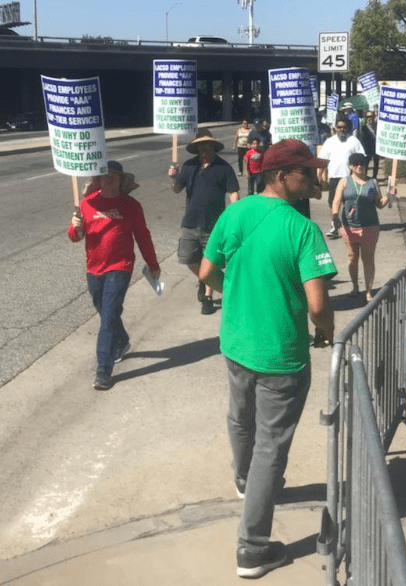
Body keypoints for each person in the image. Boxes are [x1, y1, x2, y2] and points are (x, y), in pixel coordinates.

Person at [199, 138, 336, 579]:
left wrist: (237, 294)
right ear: (282, 177)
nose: (315, 177)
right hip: (281, 353)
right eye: (306, 171)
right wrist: (327, 332)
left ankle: (244, 482)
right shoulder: (302, 228)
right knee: (271, 448)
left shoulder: (233, 214)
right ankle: (253, 547)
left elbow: (206, 273)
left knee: (241, 418)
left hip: (236, 342)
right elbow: (317, 306)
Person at [67, 160, 160, 391]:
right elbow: (75, 237)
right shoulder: (87, 204)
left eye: (113, 176)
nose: (108, 179)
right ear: (97, 180)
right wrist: (74, 226)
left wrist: (153, 264)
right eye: (103, 176)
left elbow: (143, 236)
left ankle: (103, 372)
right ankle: (122, 341)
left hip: (120, 266)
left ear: (121, 180)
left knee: (108, 317)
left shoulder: (131, 205)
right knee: (106, 311)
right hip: (94, 268)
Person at [168, 129, 239, 315]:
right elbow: (177, 190)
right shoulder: (189, 166)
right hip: (190, 222)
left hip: (213, 224)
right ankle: (203, 278)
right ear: (197, 149)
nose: (204, 150)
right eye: (201, 147)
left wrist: (236, 215)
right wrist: (173, 178)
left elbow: (233, 192)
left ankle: (208, 297)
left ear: (214, 147)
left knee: (211, 262)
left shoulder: (224, 168)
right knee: (189, 260)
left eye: (207, 147)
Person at [331, 152, 391, 300]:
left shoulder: (373, 182)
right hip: (349, 226)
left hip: (369, 226)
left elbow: (379, 203)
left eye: (362, 164)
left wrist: (388, 196)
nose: (359, 166)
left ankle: (369, 290)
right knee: (352, 257)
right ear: (351, 166)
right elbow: (336, 201)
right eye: (355, 164)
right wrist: (334, 215)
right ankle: (355, 286)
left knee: (368, 258)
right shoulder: (344, 181)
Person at [318, 114, 365, 239]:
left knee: (350, 204)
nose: (342, 129)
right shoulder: (329, 142)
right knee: (333, 203)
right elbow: (323, 161)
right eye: (339, 127)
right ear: (335, 128)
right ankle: (334, 226)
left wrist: (361, 177)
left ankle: (350, 226)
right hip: (334, 178)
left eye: (344, 127)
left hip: (349, 178)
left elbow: (361, 159)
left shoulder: (353, 141)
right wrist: (318, 176)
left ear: (347, 128)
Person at [360, 110, 380, 179]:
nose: (370, 118)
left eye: (371, 116)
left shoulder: (378, 125)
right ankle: (364, 177)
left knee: (376, 163)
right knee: (366, 164)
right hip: (367, 148)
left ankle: (374, 177)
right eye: (368, 116)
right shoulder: (363, 127)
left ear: (374, 116)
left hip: (376, 148)